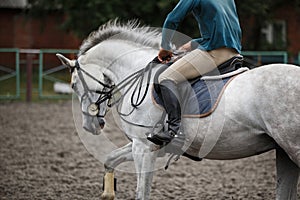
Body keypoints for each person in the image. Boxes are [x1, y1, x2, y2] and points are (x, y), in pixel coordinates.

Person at [147, 0, 242, 149]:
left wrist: (165, 47)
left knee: (165, 78)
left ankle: (174, 131)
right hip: (233, 51)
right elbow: (225, 32)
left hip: (214, 53)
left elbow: (172, 19)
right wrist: (193, 44)